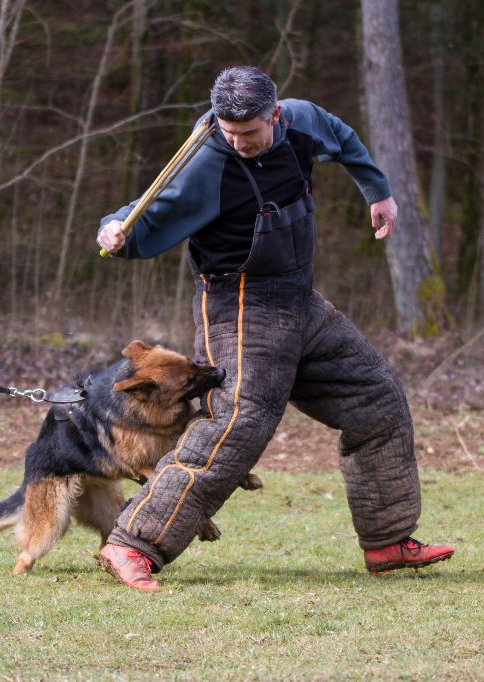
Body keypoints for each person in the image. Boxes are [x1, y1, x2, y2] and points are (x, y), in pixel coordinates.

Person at [94, 66, 454, 590]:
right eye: (228, 131)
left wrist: (378, 190)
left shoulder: (303, 121)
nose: (238, 142)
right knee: (235, 427)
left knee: (377, 403)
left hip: (300, 302)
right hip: (239, 306)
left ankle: (388, 541)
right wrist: (118, 228)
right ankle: (133, 545)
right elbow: (151, 211)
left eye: (250, 132)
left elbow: (345, 138)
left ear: (276, 114)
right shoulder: (205, 162)